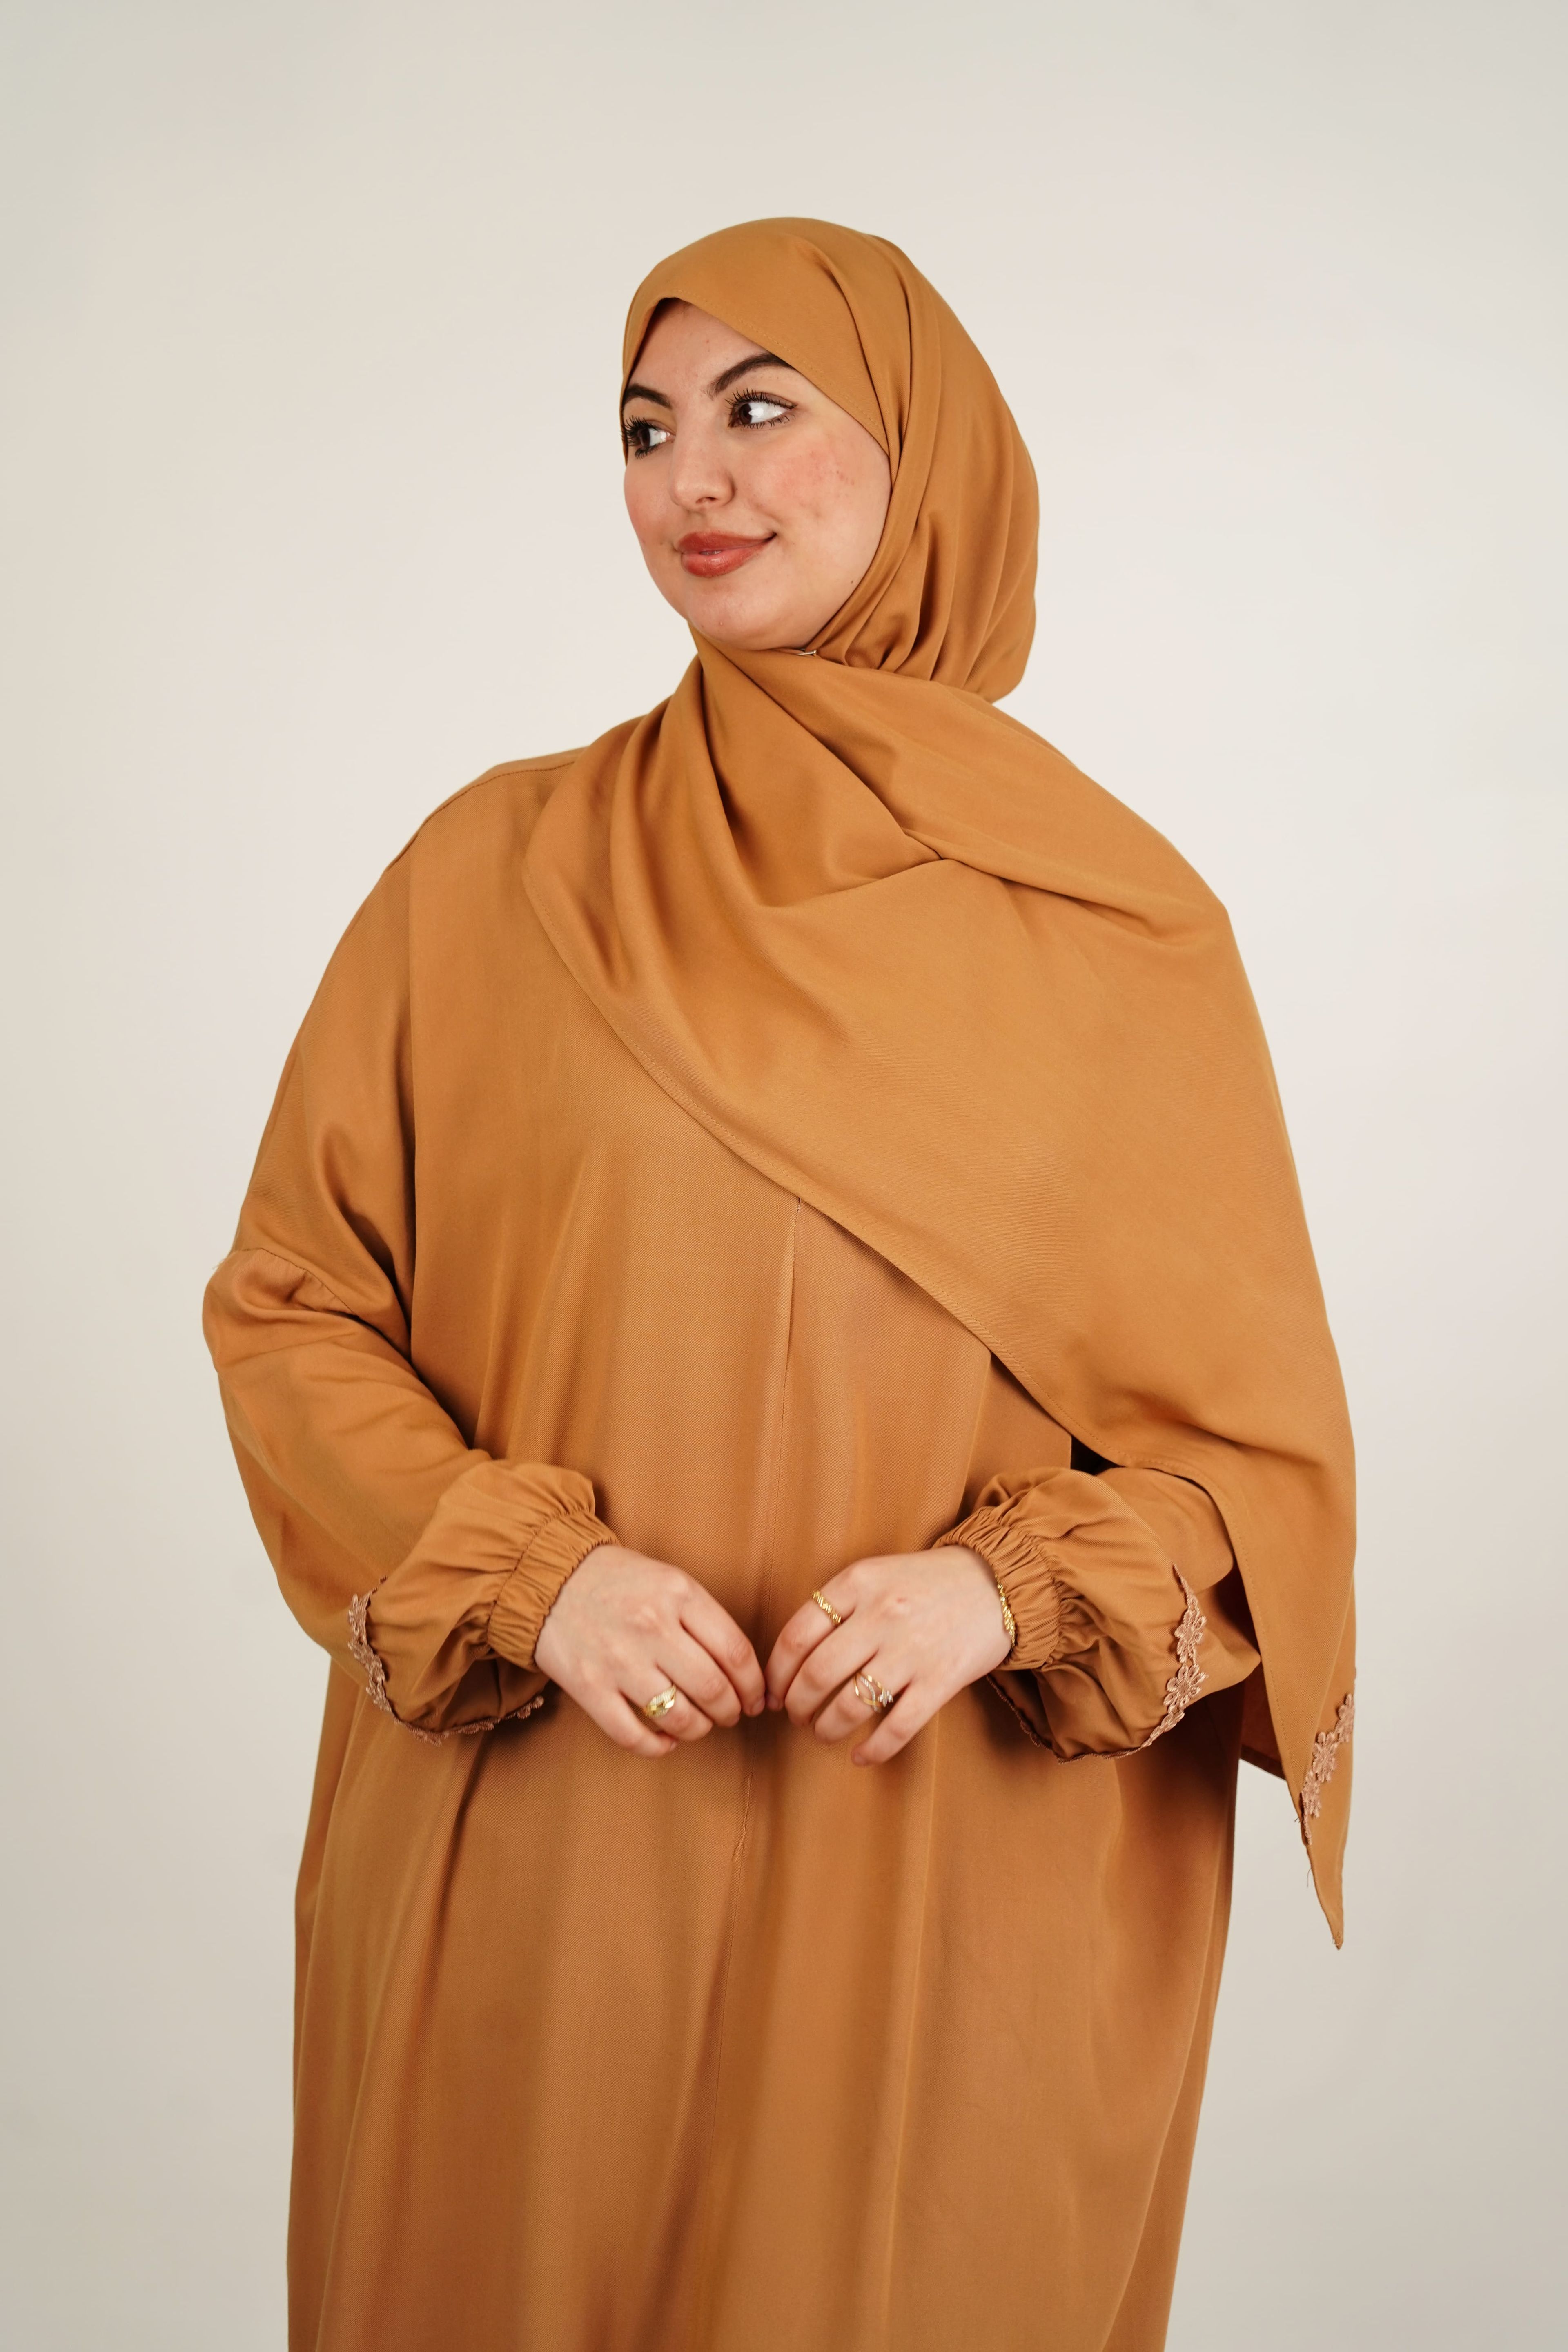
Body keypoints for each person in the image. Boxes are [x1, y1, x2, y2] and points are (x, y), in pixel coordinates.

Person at [203, 218, 1356, 2352]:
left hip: (946, 1878)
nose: (695, 480)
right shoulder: (494, 874)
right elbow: (295, 1308)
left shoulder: (1121, 935)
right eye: (648, 429)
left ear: (928, 455)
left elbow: (1259, 1477)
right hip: (542, 1851)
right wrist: (526, 1575)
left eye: (762, 409)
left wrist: (1002, 1594)